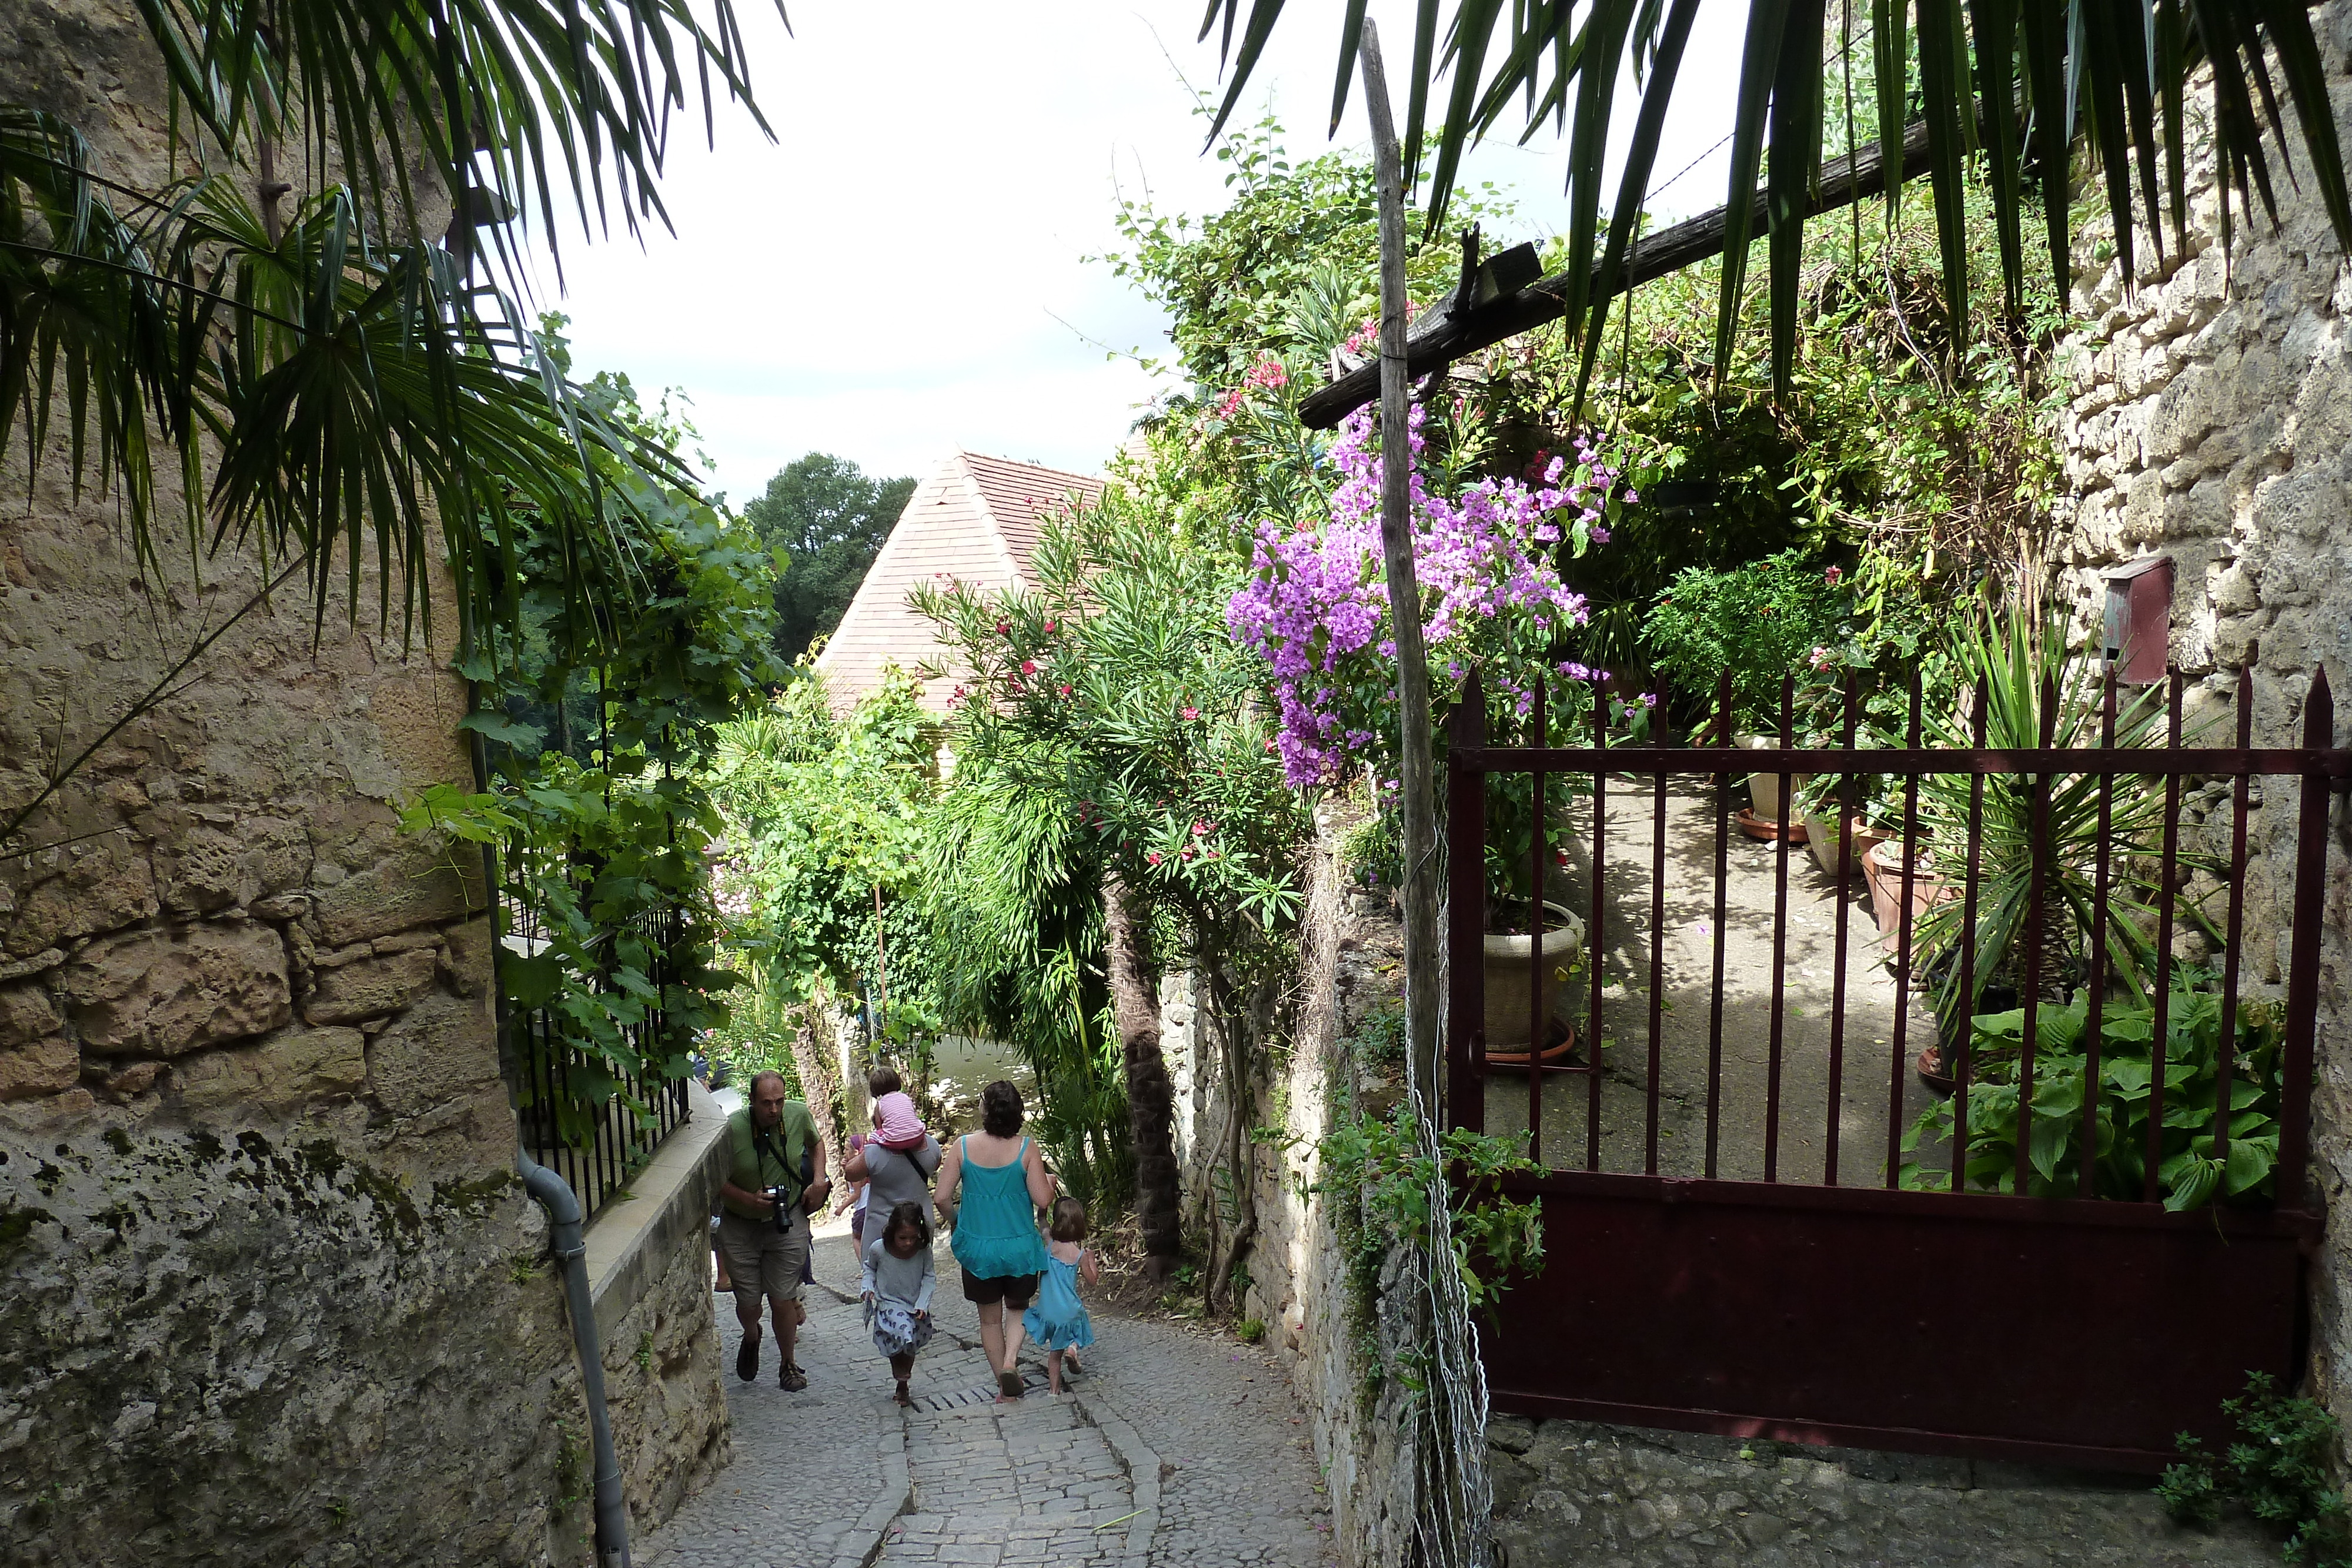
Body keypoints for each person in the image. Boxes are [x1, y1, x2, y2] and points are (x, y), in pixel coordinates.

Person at [934, 1079, 1055, 1403]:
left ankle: (1005, 1391)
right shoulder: (1027, 1148)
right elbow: (1043, 1200)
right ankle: (1011, 1362)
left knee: (989, 1321)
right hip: (1019, 1248)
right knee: (1018, 1308)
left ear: (986, 1110)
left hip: (978, 1249)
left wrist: (960, 1221)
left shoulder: (961, 1147)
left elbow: (942, 1197)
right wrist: (1051, 1183)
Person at [716, 1069, 830, 1391]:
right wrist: (749, 1200)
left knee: (783, 1297)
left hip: (787, 1219)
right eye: (766, 1103)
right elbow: (716, 1180)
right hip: (741, 1225)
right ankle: (752, 1335)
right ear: (751, 1101)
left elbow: (816, 1143)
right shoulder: (731, 1129)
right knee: (749, 1302)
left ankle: (788, 1364)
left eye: (779, 1102)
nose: (774, 1110)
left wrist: (819, 1180)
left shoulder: (797, 1114)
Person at [861, 1200, 937, 1408]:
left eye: (913, 1238)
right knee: (901, 1338)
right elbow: (869, 1269)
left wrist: (923, 1303)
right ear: (892, 1232)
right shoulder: (879, 1250)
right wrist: (867, 1288)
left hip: (914, 1306)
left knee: (909, 1343)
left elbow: (929, 1277)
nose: (908, 1244)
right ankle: (900, 1373)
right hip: (889, 1304)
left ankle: (903, 1382)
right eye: (903, 1238)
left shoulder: (923, 1251)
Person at [1024, 1197, 1098, 1396]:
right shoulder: (1079, 1254)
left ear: (1057, 1221)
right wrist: (1091, 1259)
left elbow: (1041, 1221)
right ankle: (1073, 1348)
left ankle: (1053, 1392)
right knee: (1079, 1322)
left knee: (1054, 1356)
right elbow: (1093, 1280)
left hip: (1048, 1312)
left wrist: (1043, 1204)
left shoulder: (1049, 1243)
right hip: (1069, 1311)